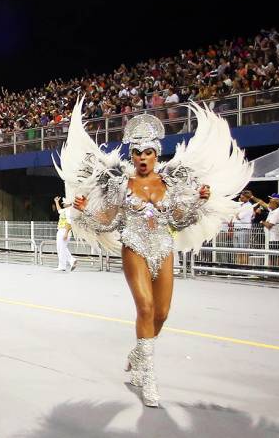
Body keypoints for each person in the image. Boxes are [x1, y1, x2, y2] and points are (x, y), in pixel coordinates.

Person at [63, 99, 249, 407]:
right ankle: (146, 377)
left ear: (155, 153)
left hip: (164, 247)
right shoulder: (120, 184)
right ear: (132, 155)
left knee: (162, 313)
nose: (143, 158)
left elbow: (178, 219)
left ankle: (137, 353)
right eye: (137, 153)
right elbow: (109, 222)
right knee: (146, 309)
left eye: (148, 153)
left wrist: (200, 202)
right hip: (133, 247)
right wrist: (83, 213)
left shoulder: (171, 183)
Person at [53, 196, 77, 272]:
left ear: (69, 204)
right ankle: (71, 261)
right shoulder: (65, 210)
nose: (63, 204)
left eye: (64, 203)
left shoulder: (69, 211)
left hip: (64, 230)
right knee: (61, 248)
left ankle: (63, 265)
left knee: (61, 248)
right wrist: (56, 202)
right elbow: (59, 210)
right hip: (61, 230)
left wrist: (66, 233)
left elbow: (69, 223)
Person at [263, 194, 279, 267]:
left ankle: (278, 273)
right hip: (270, 238)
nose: (269, 203)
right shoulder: (272, 210)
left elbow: (269, 225)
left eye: (270, 202)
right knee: (271, 256)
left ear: (275, 204)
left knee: (277, 256)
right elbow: (262, 203)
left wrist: (262, 222)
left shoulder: (278, 211)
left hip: (275, 238)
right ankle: (271, 273)